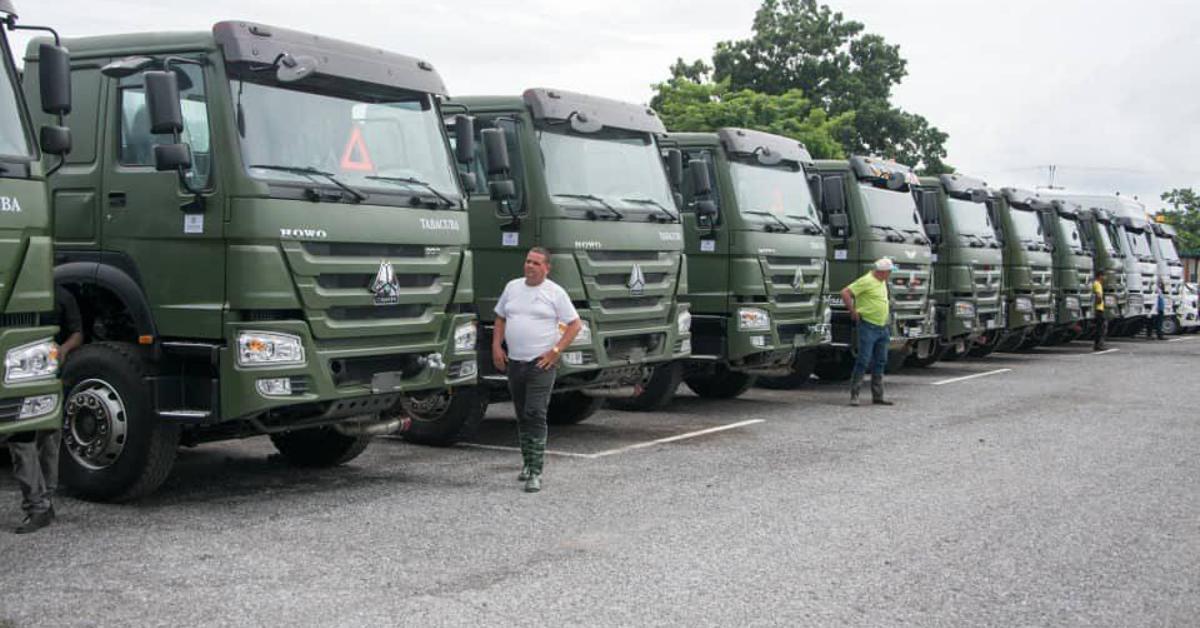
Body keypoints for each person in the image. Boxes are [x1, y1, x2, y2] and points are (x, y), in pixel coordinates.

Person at [492, 247, 582, 493]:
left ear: (546, 268)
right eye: (527, 262)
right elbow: (500, 318)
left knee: (535, 412)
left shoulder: (555, 292)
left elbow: (575, 324)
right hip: (515, 361)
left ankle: (536, 471)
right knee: (521, 413)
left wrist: (556, 351)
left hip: (540, 364)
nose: (529, 266)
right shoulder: (512, 287)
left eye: (535, 263)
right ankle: (527, 463)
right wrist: (496, 346)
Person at [8, 285, 83, 533]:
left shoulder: (61, 295)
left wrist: (63, 350)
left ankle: (42, 503)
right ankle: (39, 505)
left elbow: (76, 334)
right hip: (21, 374)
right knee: (24, 437)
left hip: (45, 373)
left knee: (47, 435)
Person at [841, 258, 894, 406]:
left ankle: (878, 396)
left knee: (881, 360)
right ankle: (855, 394)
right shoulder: (866, 280)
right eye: (889, 272)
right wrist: (853, 311)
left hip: (882, 326)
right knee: (863, 360)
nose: (890, 274)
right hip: (868, 326)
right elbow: (845, 292)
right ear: (882, 272)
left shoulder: (882, 281)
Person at [1092, 270, 1108, 351]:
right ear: (1100, 276)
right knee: (1101, 328)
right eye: (1103, 275)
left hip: (1098, 309)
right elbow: (1098, 296)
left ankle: (1097, 345)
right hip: (1099, 309)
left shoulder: (1095, 283)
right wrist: (1100, 301)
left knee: (1100, 327)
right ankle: (1099, 345)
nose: (1105, 278)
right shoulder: (1098, 284)